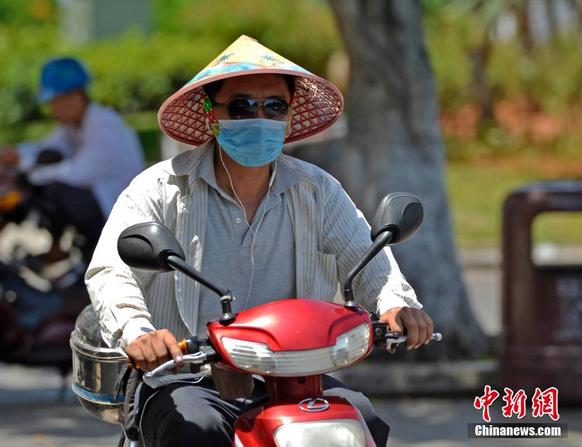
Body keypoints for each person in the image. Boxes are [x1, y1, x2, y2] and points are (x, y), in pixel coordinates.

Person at [85, 35, 434, 447]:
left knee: (364, 422)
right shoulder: (159, 187)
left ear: (288, 119)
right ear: (212, 116)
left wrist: (396, 304)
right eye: (242, 106)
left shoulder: (317, 190)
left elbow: (366, 254)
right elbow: (112, 269)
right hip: (186, 377)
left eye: (274, 106)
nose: (260, 116)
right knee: (196, 430)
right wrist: (137, 332)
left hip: (295, 379)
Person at [0, 57, 145, 261]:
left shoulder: (104, 127)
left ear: (76, 96)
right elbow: (46, 147)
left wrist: (27, 165)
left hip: (116, 213)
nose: (52, 109)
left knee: (52, 187)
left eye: (55, 102)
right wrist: (18, 153)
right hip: (97, 201)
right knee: (44, 169)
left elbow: (78, 173)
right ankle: (59, 247)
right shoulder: (73, 126)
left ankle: (71, 250)